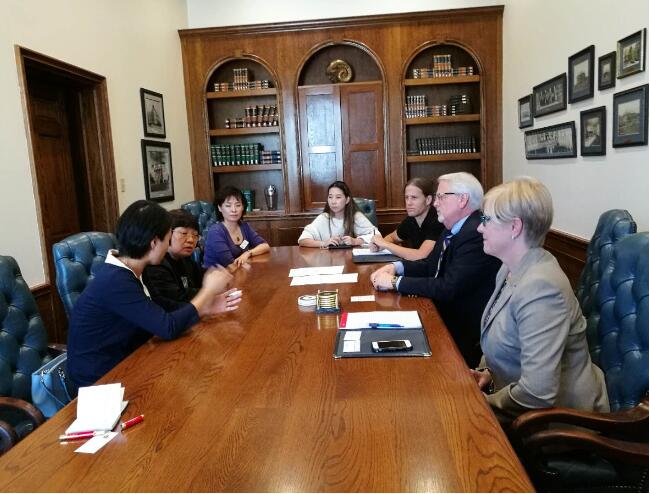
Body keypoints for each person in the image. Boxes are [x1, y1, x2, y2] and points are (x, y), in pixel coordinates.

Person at [471, 177, 608, 424]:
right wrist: (488, 373)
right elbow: (504, 342)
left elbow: (537, 393)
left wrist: (480, 402)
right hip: (515, 403)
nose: (480, 228)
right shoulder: (509, 268)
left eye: (486, 219)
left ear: (514, 227)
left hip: (559, 423)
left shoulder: (541, 287)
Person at [67, 200, 242, 390]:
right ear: (154, 242)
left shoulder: (132, 269)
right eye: (168, 238)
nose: (168, 245)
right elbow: (167, 327)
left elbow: (159, 310)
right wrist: (207, 291)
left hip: (128, 361)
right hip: (100, 383)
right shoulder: (116, 280)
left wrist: (205, 308)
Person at [370, 172, 501, 367]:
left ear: (462, 199)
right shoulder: (453, 227)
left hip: (459, 330)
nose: (435, 203)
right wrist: (395, 267)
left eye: (441, 197)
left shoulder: (474, 233)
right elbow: (430, 265)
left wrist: (396, 282)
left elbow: (448, 287)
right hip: (441, 316)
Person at [368, 177, 443, 260]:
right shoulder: (411, 219)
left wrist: (385, 244)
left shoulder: (439, 220)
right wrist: (378, 246)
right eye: (406, 197)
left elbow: (421, 255)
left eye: (414, 197)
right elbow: (392, 237)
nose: (408, 203)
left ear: (428, 200)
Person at [143, 209, 204, 306]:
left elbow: (203, 280)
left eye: (195, 235)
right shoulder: (156, 263)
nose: (191, 240)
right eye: (184, 233)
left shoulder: (185, 259)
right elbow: (177, 298)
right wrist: (210, 292)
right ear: (167, 234)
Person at [203, 186, 270, 271]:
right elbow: (231, 264)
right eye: (228, 206)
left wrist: (248, 253)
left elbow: (265, 246)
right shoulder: (216, 232)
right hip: (217, 276)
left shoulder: (244, 226)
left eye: (238, 205)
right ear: (219, 208)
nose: (234, 210)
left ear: (243, 207)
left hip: (239, 272)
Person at [298, 180, 378, 248]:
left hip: (351, 258)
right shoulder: (324, 218)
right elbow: (302, 240)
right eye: (330, 197)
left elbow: (377, 236)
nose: (333, 202)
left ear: (347, 200)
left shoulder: (356, 217)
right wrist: (324, 243)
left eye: (338, 197)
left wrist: (355, 241)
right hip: (328, 259)